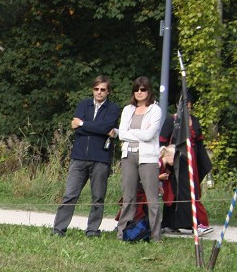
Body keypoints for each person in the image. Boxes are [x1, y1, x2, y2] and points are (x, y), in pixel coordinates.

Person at [51, 75, 121, 237]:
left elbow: (105, 126)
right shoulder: (84, 104)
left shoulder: (113, 109)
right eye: (96, 89)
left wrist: (83, 124)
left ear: (108, 92)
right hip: (79, 157)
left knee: (97, 197)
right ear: (93, 90)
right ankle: (58, 229)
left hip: (101, 158)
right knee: (69, 195)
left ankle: (92, 230)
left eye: (103, 89)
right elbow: (77, 127)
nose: (99, 92)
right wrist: (98, 129)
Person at [116, 77, 163, 242]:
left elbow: (150, 135)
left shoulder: (155, 110)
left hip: (148, 157)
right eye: (136, 89)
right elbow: (121, 133)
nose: (139, 93)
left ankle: (156, 236)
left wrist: (131, 133)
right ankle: (122, 233)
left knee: (152, 198)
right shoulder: (128, 109)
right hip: (128, 155)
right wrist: (135, 134)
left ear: (148, 91)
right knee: (128, 196)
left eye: (143, 89)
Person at [159, 94, 213, 234]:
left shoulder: (194, 121)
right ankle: (194, 223)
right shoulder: (171, 120)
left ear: (191, 104)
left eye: (188, 102)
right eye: (183, 102)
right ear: (177, 104)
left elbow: (199, 143)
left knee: (192, 190)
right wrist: (165, 161)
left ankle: (185, 223)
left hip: (192, 160)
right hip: (176, 160)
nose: (186, 105)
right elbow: (162, 142)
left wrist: (204, 165)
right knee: (177, 191)